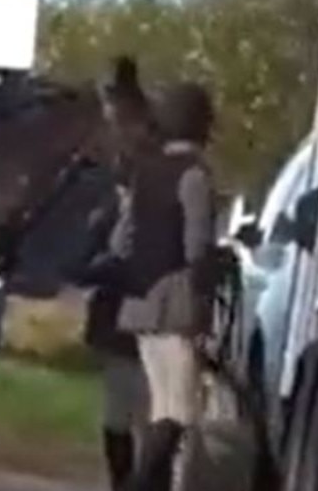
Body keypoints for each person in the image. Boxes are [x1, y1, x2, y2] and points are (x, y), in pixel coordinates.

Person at [115, 81, 218, 491]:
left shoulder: (145, 173)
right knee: (179, 413)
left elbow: (119, 241)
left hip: (139, 302)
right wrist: (214, 273)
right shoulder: (195, 176)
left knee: (162, 407)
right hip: (175, 305)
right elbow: (197, 247)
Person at [79, 186, 149, 491]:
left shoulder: (119, 212)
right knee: (134, 412)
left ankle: (124, 483)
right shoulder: (117, 213)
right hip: (138, 324)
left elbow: (86, 266)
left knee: (122, 412)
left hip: (122, 323)